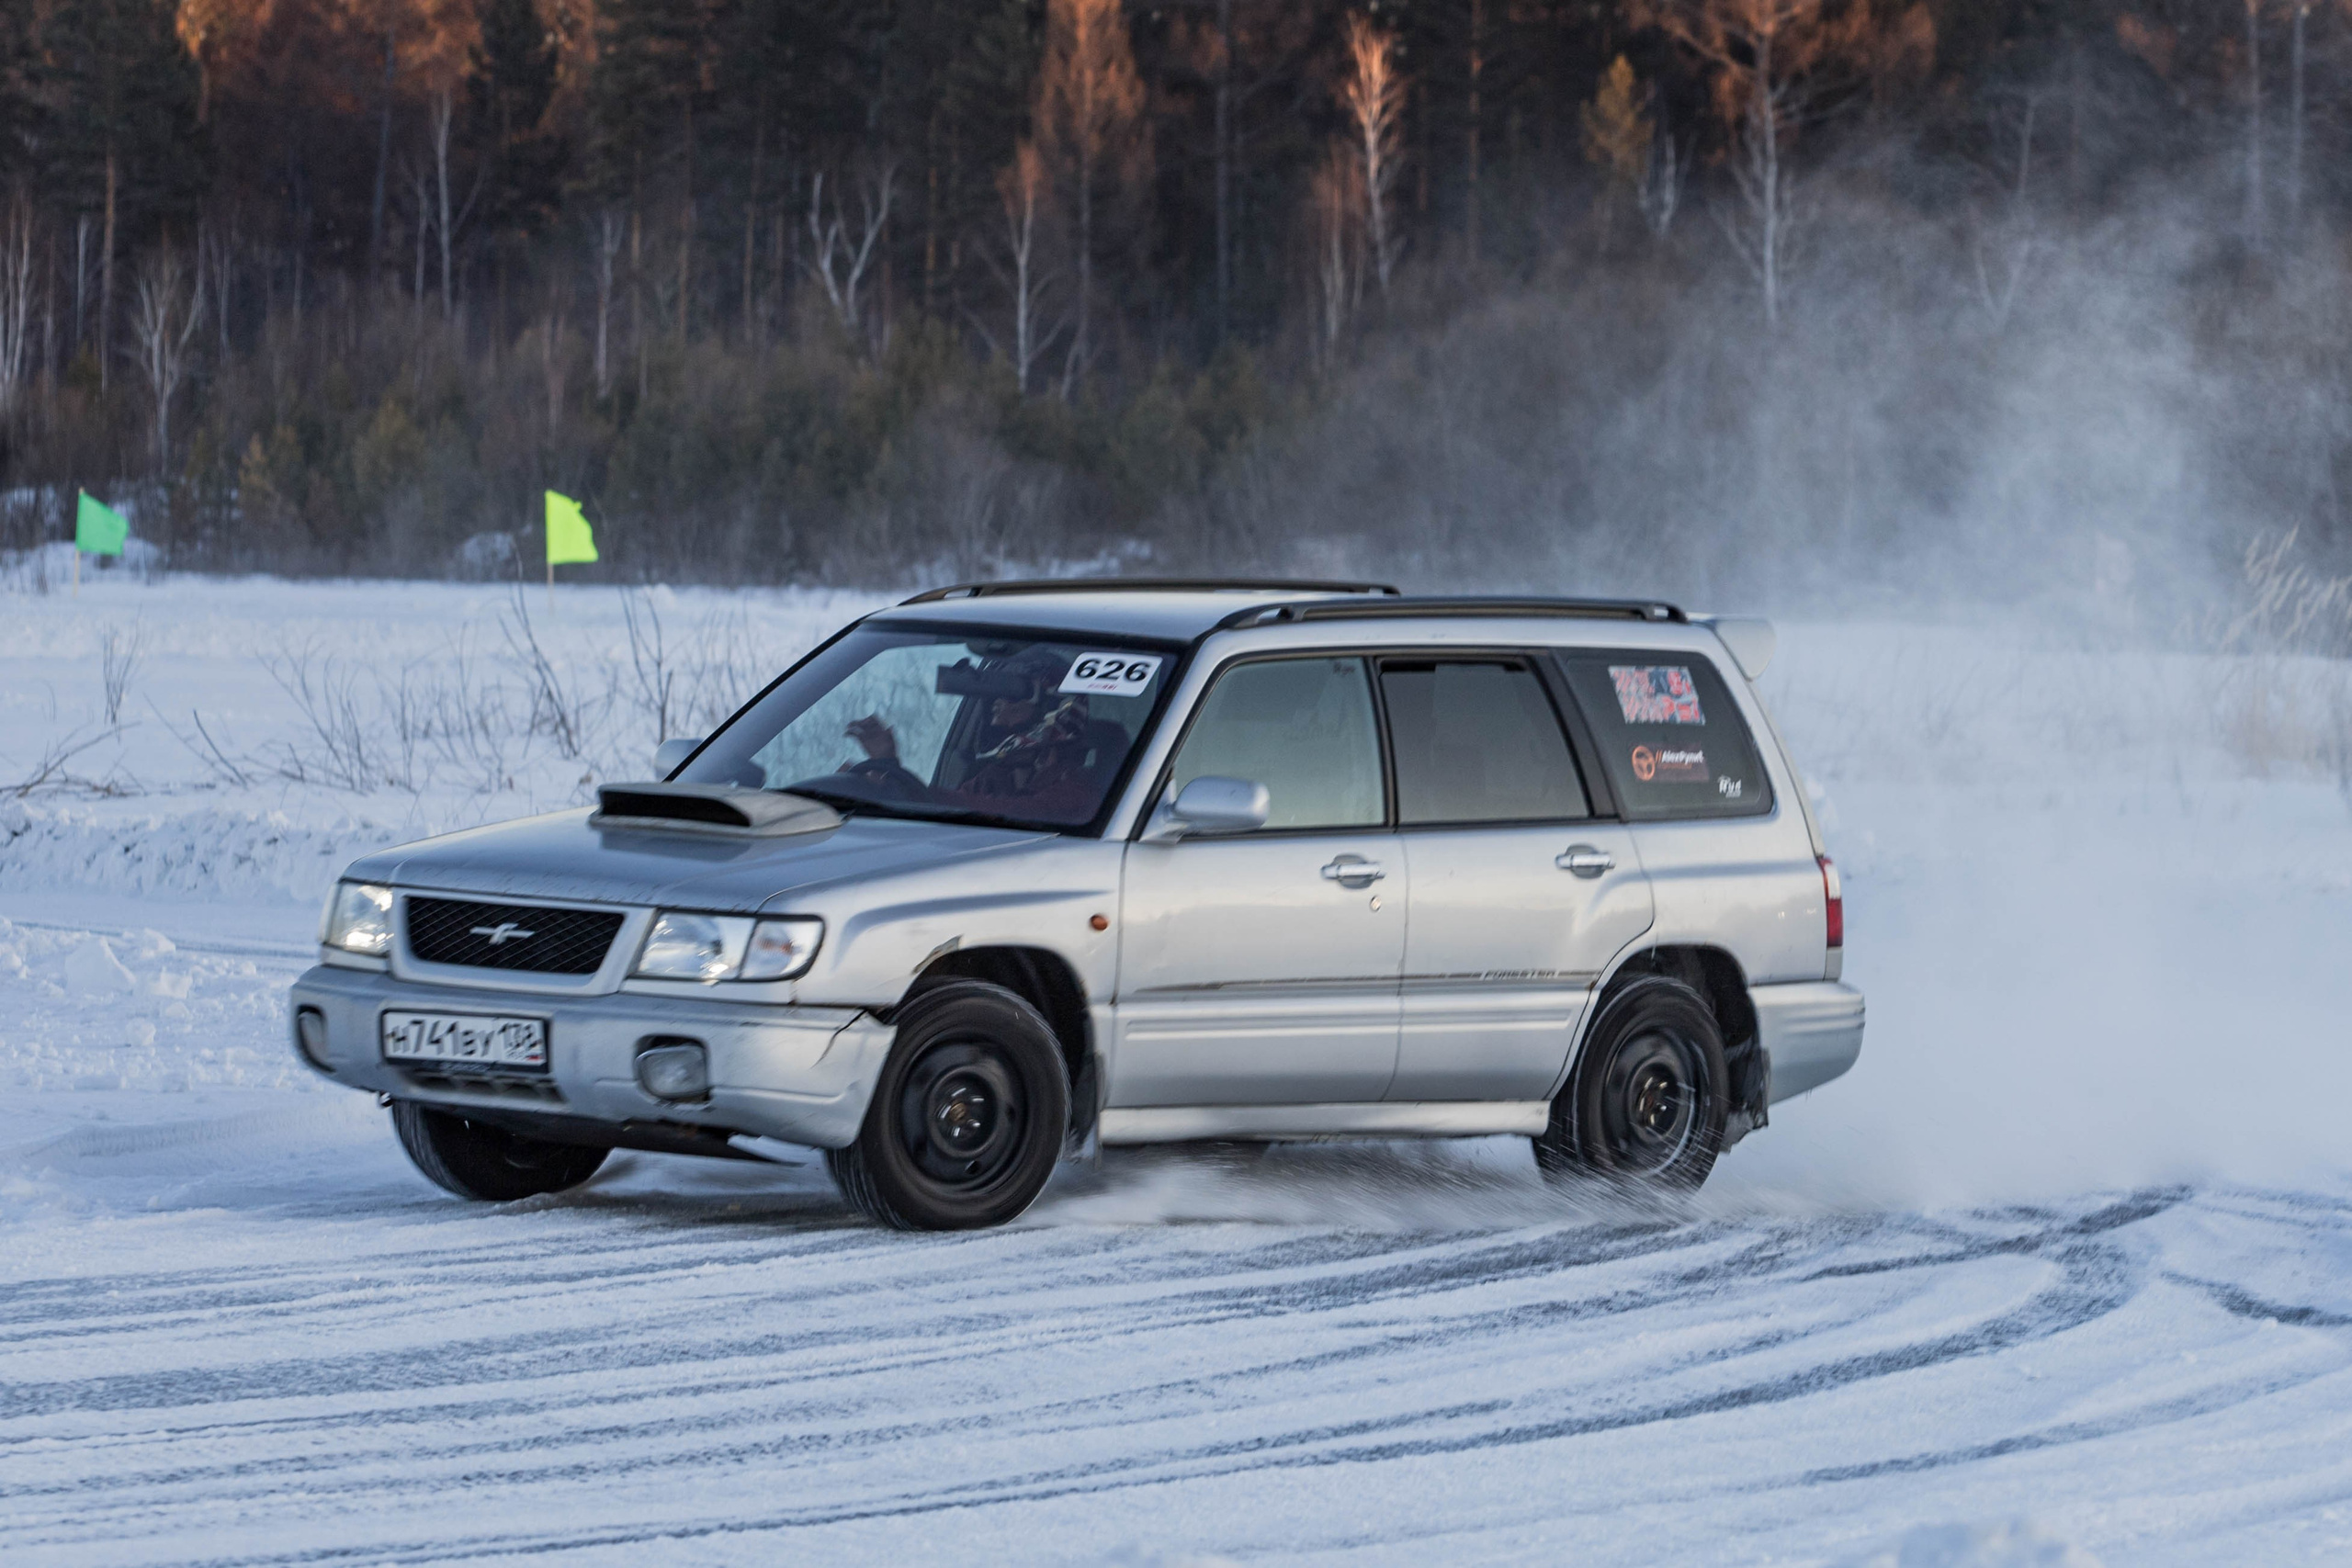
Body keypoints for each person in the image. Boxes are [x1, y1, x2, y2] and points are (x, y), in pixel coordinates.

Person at [841, 662, 1105, 823]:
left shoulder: (1079, 791)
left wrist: (896, 787)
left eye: (1013, 701)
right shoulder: (997, 777)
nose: (996, 711)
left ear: (1055, 713)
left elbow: (1009, 815)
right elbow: (940, 817)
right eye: (995, 701)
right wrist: (886, 766)